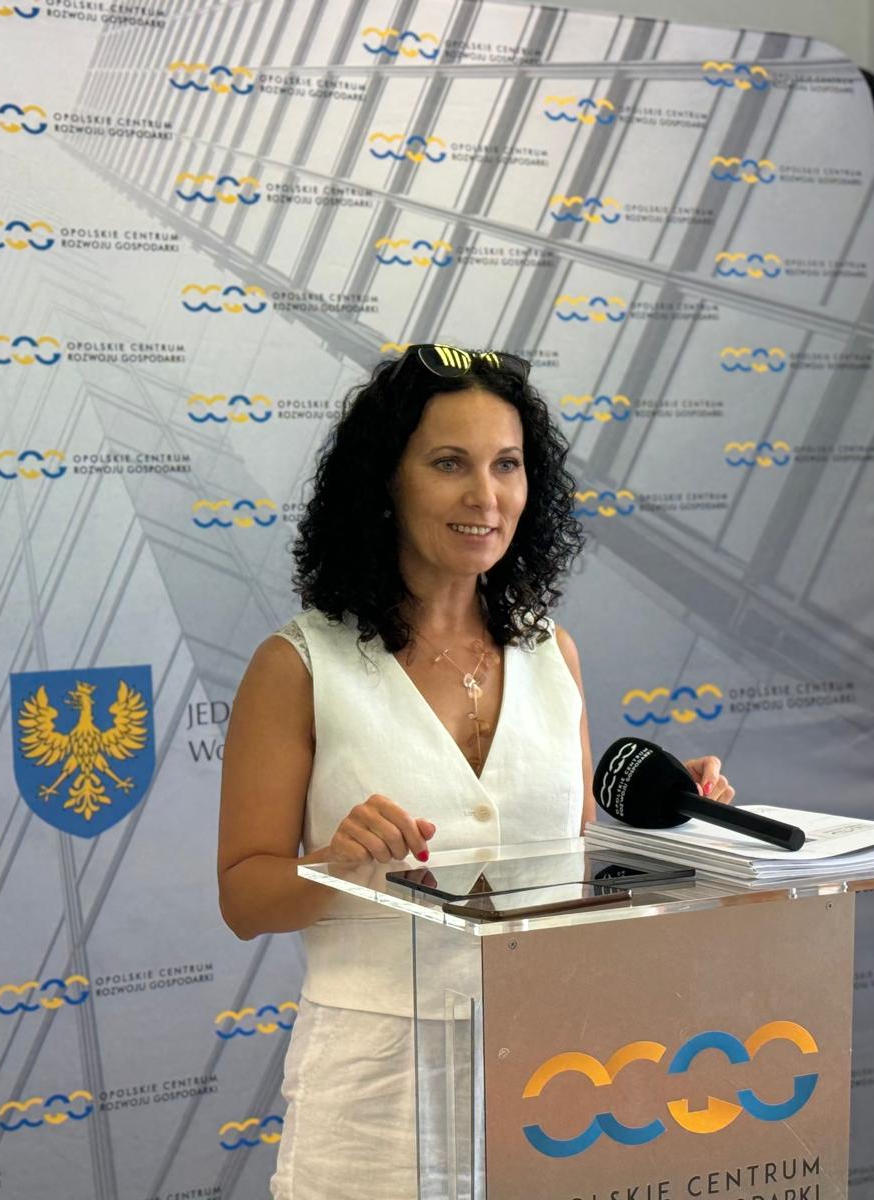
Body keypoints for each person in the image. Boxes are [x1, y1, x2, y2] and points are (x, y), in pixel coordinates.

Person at [215, 344, 733, 1199]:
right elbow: (244, 896)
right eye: (449, 463)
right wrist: (336, 865)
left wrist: (672, 808)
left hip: (557, 1071)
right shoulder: (299, 665)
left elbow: (568, 853)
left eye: (507, 465)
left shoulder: (553, 653)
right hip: (374, 1092)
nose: (485, 497)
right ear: (386, 481)